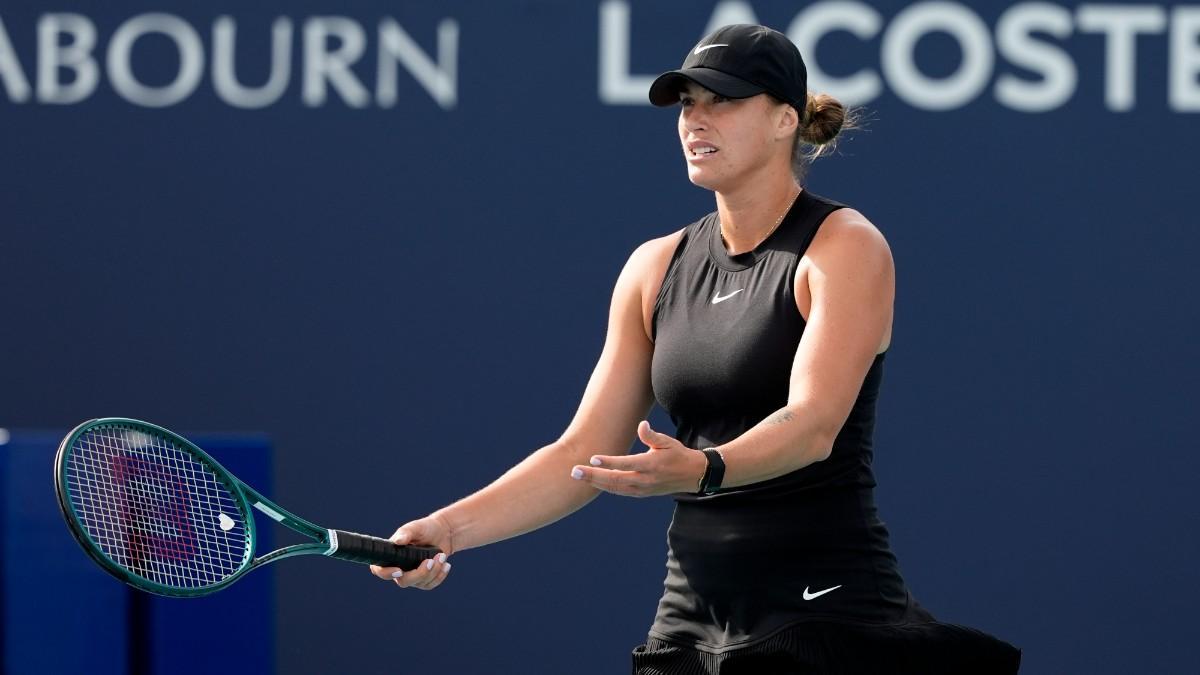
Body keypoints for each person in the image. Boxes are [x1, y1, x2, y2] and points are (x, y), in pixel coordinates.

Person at [370, 23, 1021, 674]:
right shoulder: (653, 267)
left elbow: (814, 424)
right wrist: (447, 529)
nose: (695, 120)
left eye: (723, 101)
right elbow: (581, 451)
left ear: (784, 121)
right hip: (689, 618)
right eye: (687, 103)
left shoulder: (844, 246)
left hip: (824, 610)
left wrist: (703, 467)